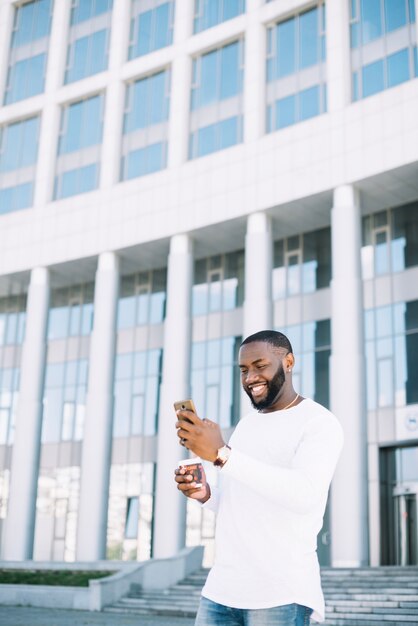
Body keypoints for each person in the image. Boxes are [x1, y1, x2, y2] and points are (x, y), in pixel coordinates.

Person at [175, 330, 344, 626]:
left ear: (288, 362)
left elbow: (304, 495)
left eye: (260, 365)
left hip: (281, 595)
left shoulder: (319, 423)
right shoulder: (246, 425)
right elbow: (238, 500)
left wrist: (222, 455)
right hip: (220, 591)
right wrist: (205, 494)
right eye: (243, 369)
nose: (250, 377)